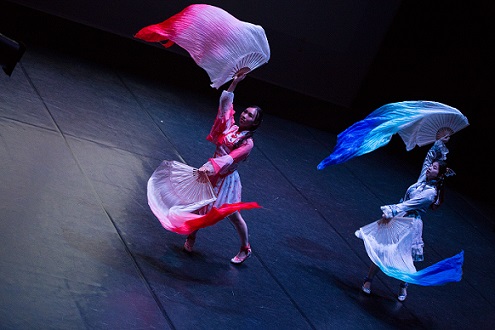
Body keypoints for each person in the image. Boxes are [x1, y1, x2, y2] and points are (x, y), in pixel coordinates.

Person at [358, 134, 458, 301]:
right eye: (431, 167)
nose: (429, 168)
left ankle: (404, 285)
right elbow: (429, 158)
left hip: (410, 224)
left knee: (405, 257)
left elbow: (408, 205)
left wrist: (391, 210)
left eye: (433, 168)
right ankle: (368, 280)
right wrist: (440, 142)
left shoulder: (430, 193)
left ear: (439, 175)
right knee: (383, 249)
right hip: (399, 217)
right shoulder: (422, 180)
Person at [183, 67, 263, 264]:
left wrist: (209, 168)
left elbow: (229, 159)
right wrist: (235, 82)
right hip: (211, 172)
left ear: (254, 123)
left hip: (225, 179)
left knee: (233, 216)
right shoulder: (231, 128)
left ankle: (245, 248)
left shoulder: (247, 143)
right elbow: (226, 106)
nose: (244, 116)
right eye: (245, 112)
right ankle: (191, 235)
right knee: (197, 206)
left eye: (250, 116)